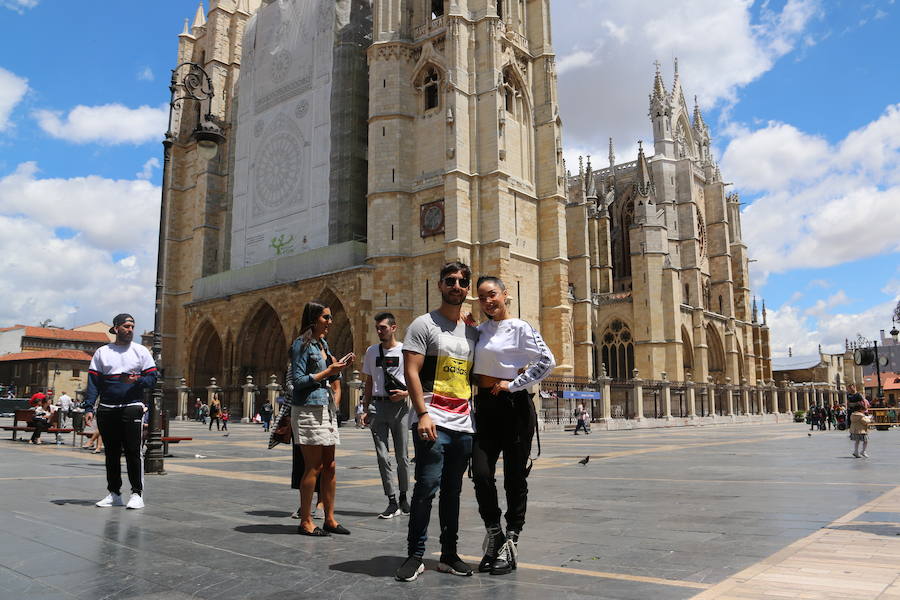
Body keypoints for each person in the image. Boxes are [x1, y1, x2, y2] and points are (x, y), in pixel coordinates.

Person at [395, 262, 479, 582]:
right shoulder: (423, 324)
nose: (456, 286)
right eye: (450, 281)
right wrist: (423, 413)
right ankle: (415, 554)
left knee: (453, 490)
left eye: (462, 281)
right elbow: (411, 371)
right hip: (432, 420)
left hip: (462, 423)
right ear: (440, 285)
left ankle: (448, 554)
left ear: (467, 288)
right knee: (427, 487)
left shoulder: (472, 332)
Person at [471, 275, 555, 575]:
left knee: (515, 478)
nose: (487, 301)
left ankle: (512, 538)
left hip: (514, 409)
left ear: (505, 294)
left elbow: (547, 361)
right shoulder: (477, 331)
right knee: (480, 473)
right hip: (484, 408)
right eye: (481, 297)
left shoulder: (520, 327)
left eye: (492, 294)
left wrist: (515, 384)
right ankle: (494, 533)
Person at [290, 301, 354, 536]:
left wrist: (338, 367)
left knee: (330, 466)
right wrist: (329, 371)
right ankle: (306, 520)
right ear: (313, 320)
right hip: (308, 408)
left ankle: (330, 518)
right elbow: (297, 380)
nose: (330, 321)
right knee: (313, 466)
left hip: (325, 407)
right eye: (326, 317)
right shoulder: (301, 344)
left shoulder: (323, 344)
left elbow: (327, 375)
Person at [84, 313, 157, 509]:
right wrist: (89, 406)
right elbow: (93, 383)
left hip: (132, 407)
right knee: (112, 453)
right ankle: (114, 493)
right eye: (126, 326)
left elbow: (152, 379)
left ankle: (137, 494)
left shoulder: (141, 351)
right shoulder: (102, 352)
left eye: (132, 326)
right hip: (107, 409)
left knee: (133, 451)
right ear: (116, 328)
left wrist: (137, 380)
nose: (130, 330)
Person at [361, 312, 411, 519]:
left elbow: (415, 378)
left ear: (393, 327)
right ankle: (391, 500)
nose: (379, 331)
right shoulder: (372, 351)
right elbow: (369, 382)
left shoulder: (405, 351)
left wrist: (406, 393)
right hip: (378, 407)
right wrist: (364, 409)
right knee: (382, 456)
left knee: (402, 457)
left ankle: (404, 497)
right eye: (377, 328)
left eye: (383, 327)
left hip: (399, 408)